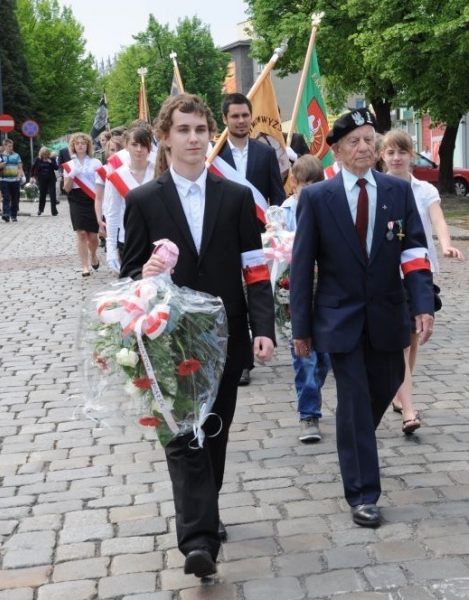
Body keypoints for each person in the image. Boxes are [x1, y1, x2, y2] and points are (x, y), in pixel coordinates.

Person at [121, 92, 275, 578]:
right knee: (182, 436)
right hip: (167, 341)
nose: (194, 138)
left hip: (224, 336)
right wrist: (145, 274)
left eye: (201, 130)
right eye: (183, 130)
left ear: (213, 135)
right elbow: (129, 276)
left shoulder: (235, 196)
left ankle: (205, 511)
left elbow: (254, 268)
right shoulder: (143, 200)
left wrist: (264, 328)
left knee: (215, 431)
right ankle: (198, 541)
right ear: (164, 138)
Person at [290, 108, 435, 528]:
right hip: (340, 319)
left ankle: (354, 439)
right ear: (335, 150)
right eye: (354, 141)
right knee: (353, 400)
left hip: (389, 314)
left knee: (388, 383)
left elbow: (413, 253)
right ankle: (363, 493)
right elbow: (302, 267)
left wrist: (423, 304)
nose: (364, 147)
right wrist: (302, 329)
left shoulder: (397, 191)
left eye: (370, 139)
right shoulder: (319, 198)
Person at [380, 129, 465, 435]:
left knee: (413, 338)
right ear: (382, 156)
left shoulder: (424, 190)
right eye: (390, 152)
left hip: (419, 272)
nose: (396, 158)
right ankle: (410, 410)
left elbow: (438, 218)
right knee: (403, 342)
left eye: (401, 152)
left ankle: (401, 393)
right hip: (390, 274)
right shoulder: (377, 188)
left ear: (411, 155)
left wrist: (445, 244)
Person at [217, 92, 287, 386]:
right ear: (225, 119)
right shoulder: (215, 154)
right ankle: (241, 359)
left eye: (245, 115)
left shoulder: (265, 153)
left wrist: (279, 226)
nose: (241, 121)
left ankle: (257, 342)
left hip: (258, 235)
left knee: (255, 293)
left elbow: (277, 196)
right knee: (232, 296)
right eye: (235, 116)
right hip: (223, 235)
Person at [276, 155, 332, 443]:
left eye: (315, 184)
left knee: (324, 359)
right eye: (304, 184)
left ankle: (312, 388)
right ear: (294, 184)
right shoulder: (284, 212)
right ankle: (308, 414)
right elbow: (274, 244)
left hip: (324, 292)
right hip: (294, 292)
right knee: (304, 358)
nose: (309, 190)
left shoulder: (329, 207)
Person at [103, 126, 155, 273]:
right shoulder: (116, 176)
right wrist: (111, 248)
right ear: (126, 146)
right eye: (134, 144)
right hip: (128, 239)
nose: (139, 149)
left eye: (143, 144)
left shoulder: (159, 172)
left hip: (156, 239)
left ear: (149, 147)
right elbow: (112, 213)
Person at [62, 133, 103, 277]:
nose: (80, 145)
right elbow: (66, 188)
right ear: (73, 146)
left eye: (83, 143)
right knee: (81, 234)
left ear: (87, 146)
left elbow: (101, 183)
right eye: (77, 143)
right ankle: (85, 266)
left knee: (92, 236)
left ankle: (93, 255)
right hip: (76, 198)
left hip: (92, 198)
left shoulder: (95, 163)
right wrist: (72, 174)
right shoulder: (69, 165)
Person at [0, 139, 25, 222]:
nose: (11, 148)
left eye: (12, 146)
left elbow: (20, 167)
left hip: (14, 180)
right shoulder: (1, 156)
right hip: (4, 180)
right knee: (6, 197)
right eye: (9, 146)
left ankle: (13, 214)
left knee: (15, 198)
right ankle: (6, 214)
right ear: (5, 146)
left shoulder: (16, 155)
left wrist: (19, 177)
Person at [31, 146, 59, 216]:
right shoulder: (38, 159)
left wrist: (51, 162)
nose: (45, 156)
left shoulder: (52, 159)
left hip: (51, 179)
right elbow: (33, 168)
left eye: (46, 154)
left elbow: (56, 168)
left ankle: (54, 211)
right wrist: (32, 177)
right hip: (42, 179)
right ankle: (40, 210)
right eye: (44, 154)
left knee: (53, 195)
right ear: (41, 154)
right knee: (42, 195)